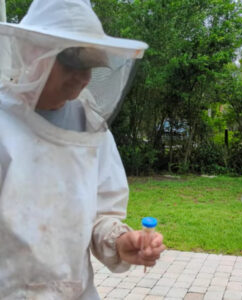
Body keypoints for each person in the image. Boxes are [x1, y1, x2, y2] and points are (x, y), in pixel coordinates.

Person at [0, 0, 165, 299]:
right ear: (32, 51)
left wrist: (121, 242)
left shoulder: (90, 127)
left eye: (90, 65)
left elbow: (101, 214)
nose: (84, 77)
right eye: (73, 63)